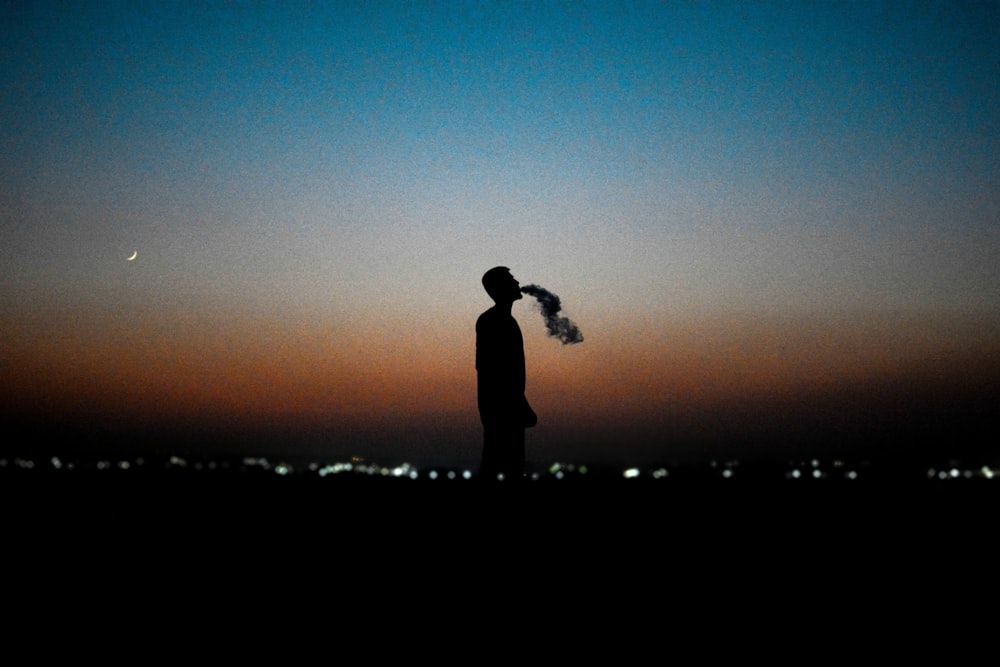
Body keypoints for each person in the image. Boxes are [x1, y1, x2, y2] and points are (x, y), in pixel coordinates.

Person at [476, 266, 537, 481]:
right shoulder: (492, 321)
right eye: (511, 280)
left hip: (504, 405)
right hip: (501, 407)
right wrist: (516, 402)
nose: (516, 283)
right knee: (502, 465)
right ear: (500, 288)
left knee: (506, 465)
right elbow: (490, 369)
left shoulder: (506, 321)